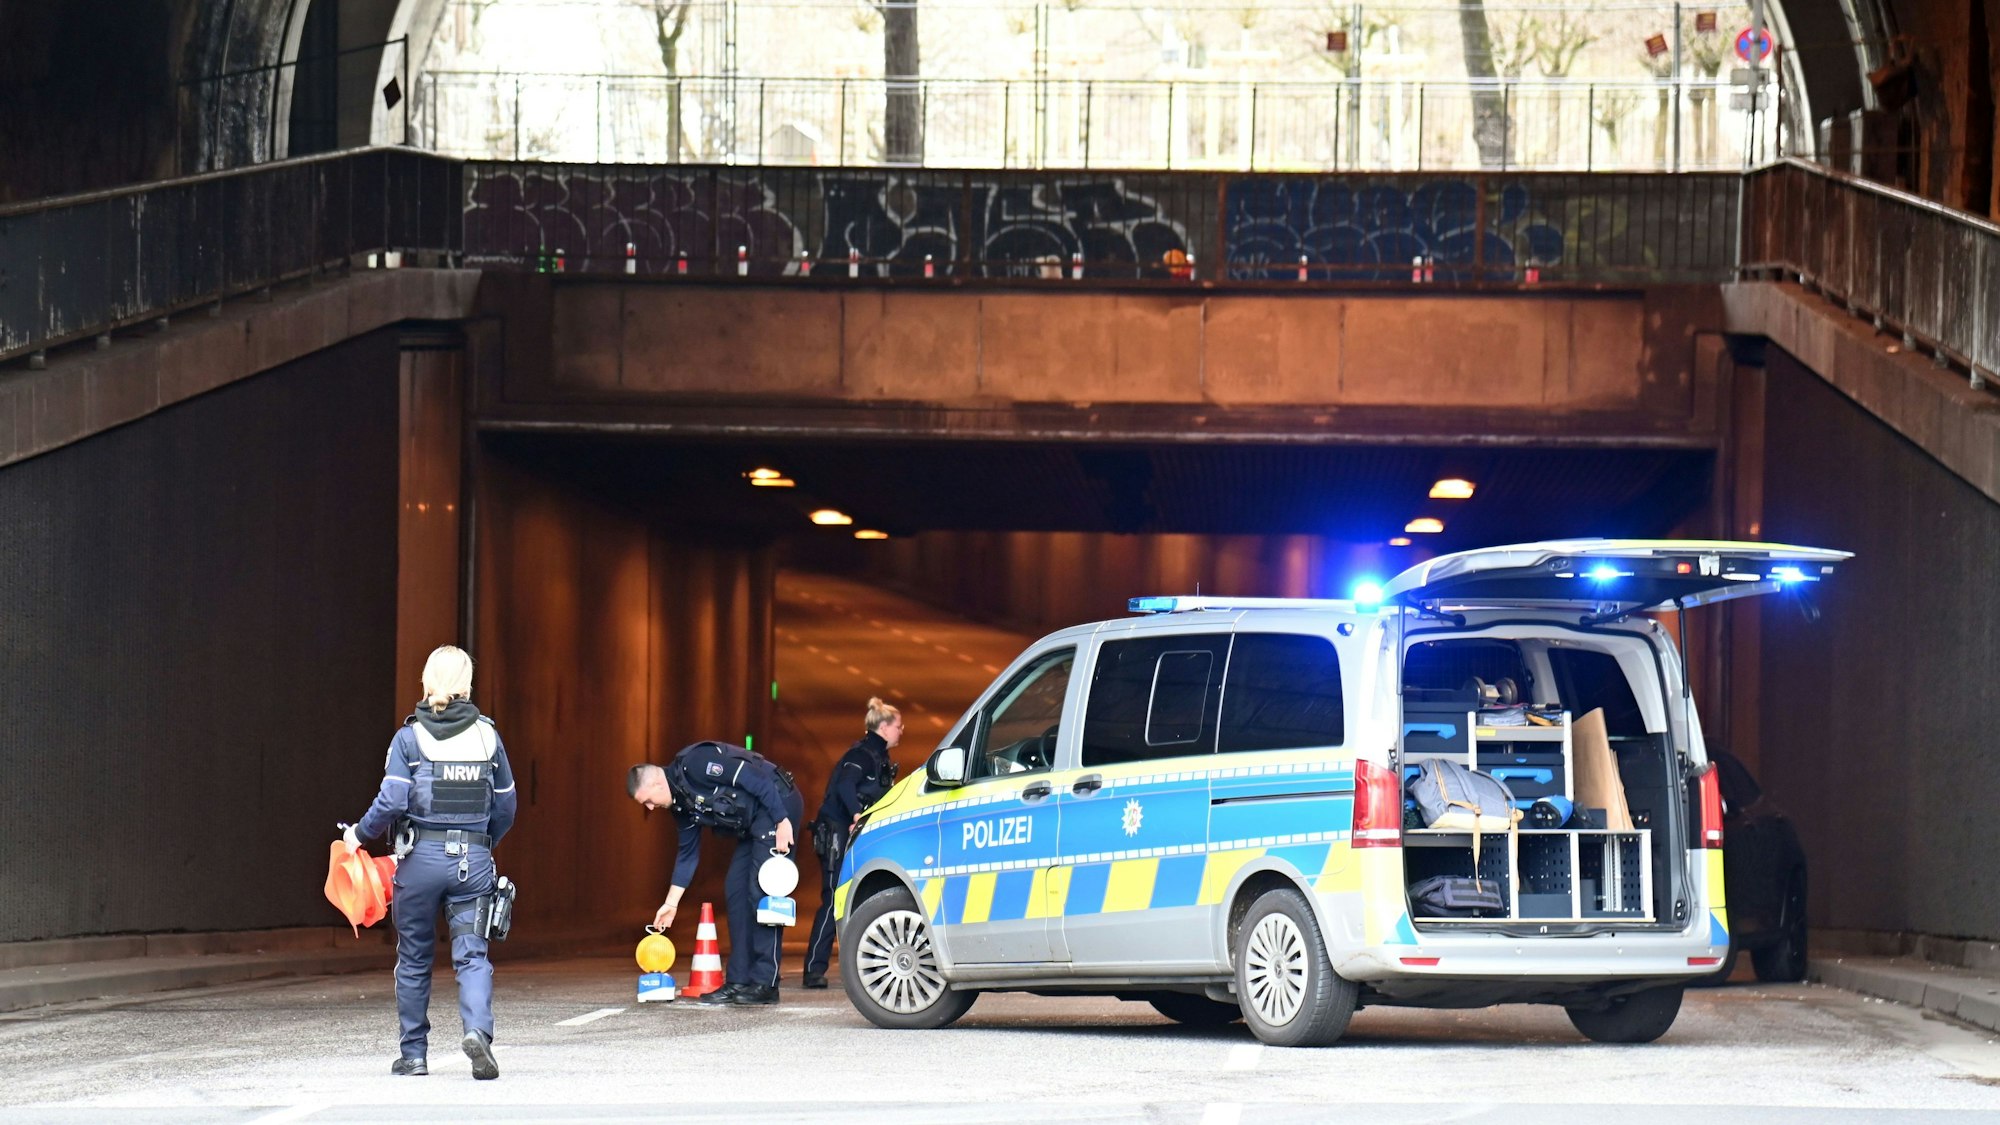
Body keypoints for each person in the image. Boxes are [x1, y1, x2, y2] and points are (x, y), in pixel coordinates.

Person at [343, 645, 517, 1080]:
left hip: (419, 861)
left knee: (414, 958)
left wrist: (358, 835)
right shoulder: (488, 737)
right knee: (472, 956)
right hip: (472, 863)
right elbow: (506, 807)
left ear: (426, 681)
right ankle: (477, 1032)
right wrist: (483, 844)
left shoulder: (409, 738)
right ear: (467, 684)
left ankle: (414, 1055)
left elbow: (392, 800)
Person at [628, 741, 805, 1005]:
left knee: (762, 894)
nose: (651, 808)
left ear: (656, 784)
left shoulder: (696, 763)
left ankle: (765, 984)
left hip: (776, 803)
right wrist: (670, 904)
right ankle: (738, 981)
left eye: (648, 801)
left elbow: (754, 778)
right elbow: (687, 855)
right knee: (735, 890)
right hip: (753, 822)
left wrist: (782, 820)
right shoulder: (681, 804)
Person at [800, 698, 903, 989]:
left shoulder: (879, 757)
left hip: (852, 833)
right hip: (835, 832)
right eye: (898, 726)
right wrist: (857, 814)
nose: (901, 731)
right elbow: (845, 785)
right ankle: (813, 969)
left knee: (858, 897)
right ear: (884, 727)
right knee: (834, 898)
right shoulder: (862, 755)